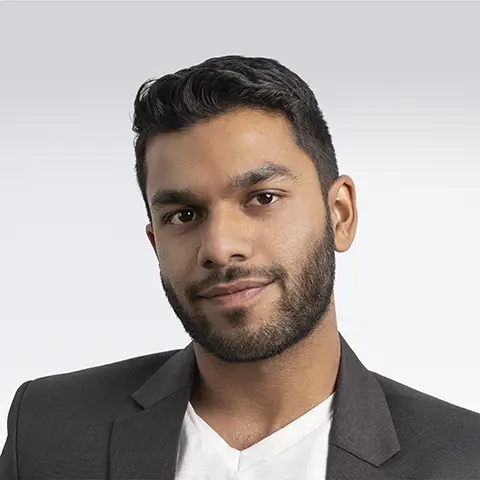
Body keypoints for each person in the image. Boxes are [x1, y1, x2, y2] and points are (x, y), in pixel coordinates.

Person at [1, 55, 479, 480]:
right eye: (183, 215)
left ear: (340, 215)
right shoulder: (46, 430)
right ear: (155, 243)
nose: (219, 247)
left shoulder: (463, 459)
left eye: (262, 198)